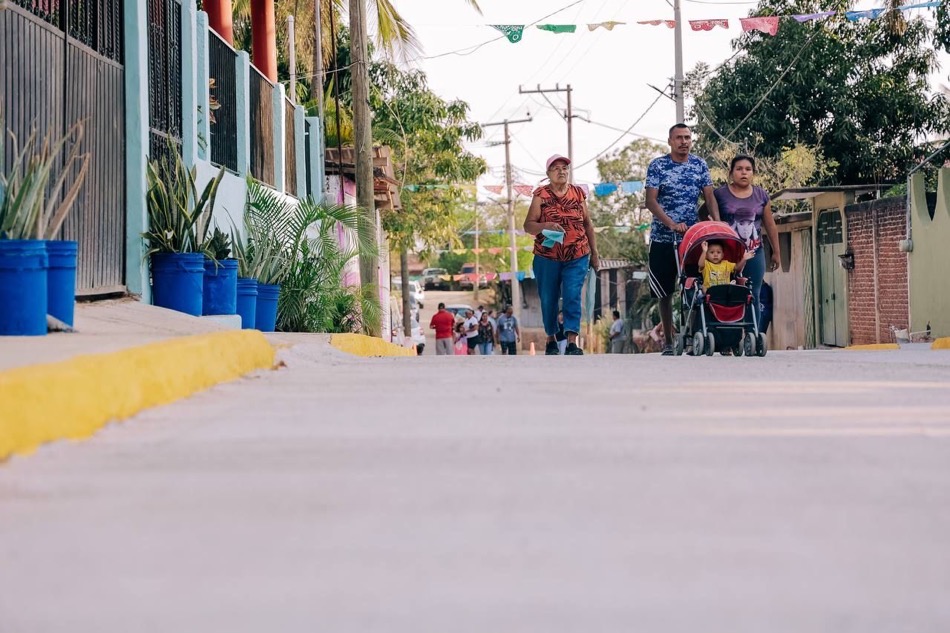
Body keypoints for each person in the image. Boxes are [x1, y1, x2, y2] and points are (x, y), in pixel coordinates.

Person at [645, 123, 720, 355]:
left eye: (687, 137)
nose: (684, 142)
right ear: (670, 141)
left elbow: (710, 198)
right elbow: (650, 201)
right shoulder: (658, 165)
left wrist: (717, 224)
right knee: (664, 292)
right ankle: (668, 341)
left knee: (697, 287)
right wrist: (671, 224)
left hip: (692, 239)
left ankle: (697, 336)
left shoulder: (699, 165)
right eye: (679, 138)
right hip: (662, 238)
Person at [524, 154, 600, 356]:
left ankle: (572, 341)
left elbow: (587, 224)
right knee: (548, 298)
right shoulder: (541, 195)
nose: (561, 171)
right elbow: (528, 226)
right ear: (548, 173)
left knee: (572, 295)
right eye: (556, 168)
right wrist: (546, 225)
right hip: (547, 256)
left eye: (565, 168)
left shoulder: (578, 193)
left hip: (577, 253)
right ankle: (551, 338)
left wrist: (594, 253)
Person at [713, 155, 781, 324]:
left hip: (754, 252)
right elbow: (704, 214)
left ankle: (753, 334)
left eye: (748, 169)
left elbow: (770, 224)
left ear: (753, 173)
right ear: (731, 173)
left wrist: (776, 252)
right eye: (739, 169)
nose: (744, 172)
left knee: (753, 293)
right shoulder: (719, 194)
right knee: (727, 293)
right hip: (726, 254)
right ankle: (729, 335)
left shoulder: (761, 195)